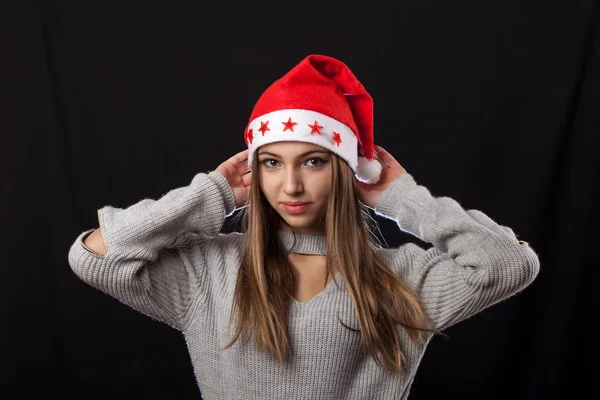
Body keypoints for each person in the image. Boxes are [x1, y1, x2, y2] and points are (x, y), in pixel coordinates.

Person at [68, 54, 540, 399]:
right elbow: (96, 256)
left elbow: (508, 264)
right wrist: (211, 193)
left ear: (345, 168)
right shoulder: (208, 271)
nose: (290, 184)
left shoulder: (400, 278)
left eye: (313, 161)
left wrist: (402, 198)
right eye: (271, 163)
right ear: (255, 171)